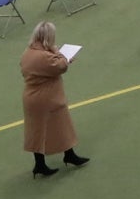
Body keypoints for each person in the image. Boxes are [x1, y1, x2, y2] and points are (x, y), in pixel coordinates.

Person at [21, 21, 90, 177]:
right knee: (61, 126)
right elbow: (61, 67)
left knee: (37, 131)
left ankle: (41, 164)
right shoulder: (45, 56)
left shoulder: (28, 52)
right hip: (48, 98)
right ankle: (69, 155)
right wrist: (59, 53)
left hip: (32, 97)